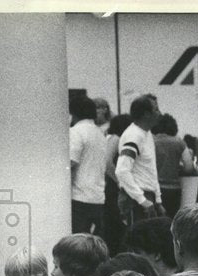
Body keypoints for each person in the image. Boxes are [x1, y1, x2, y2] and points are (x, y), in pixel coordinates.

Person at [115, 94, 166, 226]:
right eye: (156, 109)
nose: (160, 113)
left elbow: (150, 169)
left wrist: (158, 200)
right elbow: (121, 171)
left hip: (147, 197)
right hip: (136, 200)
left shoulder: (146, 134)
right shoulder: (133, 136)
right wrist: (142, 200)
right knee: (137, 242)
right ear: (146, 114)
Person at [69, 95, 108, 235]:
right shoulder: (100, 134)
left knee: (78, 243)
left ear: (72, 113)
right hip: (97, 196)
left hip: (79, 197)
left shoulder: (75, 132)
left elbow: (71, 163)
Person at [101, 114, 133, 254]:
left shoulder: (109, 137)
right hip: (112, 185)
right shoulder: (116, 139)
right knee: (115, 222)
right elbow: (108, 162)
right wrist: (121, 181)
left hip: (108, 184)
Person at [153, 113, 196, 215]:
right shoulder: (179, 142)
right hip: (173, 188)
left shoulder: (151, 141)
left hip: (155, 188)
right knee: (172, 220)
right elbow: (189, 167)